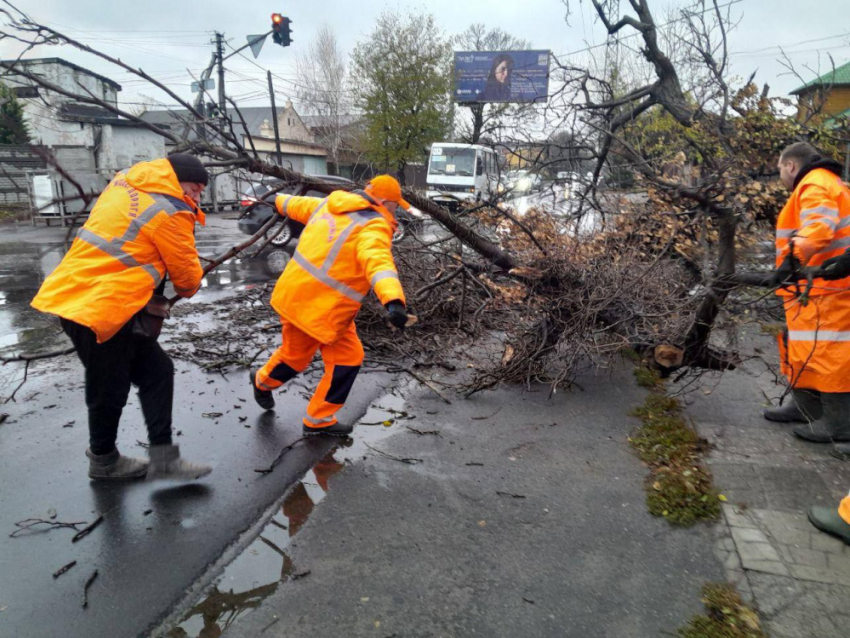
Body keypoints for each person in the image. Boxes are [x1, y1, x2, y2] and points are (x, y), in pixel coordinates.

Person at [31, 153, 213, 481]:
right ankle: (104, 460)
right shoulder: (171, 210)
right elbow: (187, 282)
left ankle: (164, 460)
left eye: (201, 191)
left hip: (79, 294)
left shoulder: (126, 182)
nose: (197, 197)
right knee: (109, 386)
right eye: (194, 188)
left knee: (157, 371)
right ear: (176, 179)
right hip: (101, 308)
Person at [250, 175, 410, 437]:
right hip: (321, 308)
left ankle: (304, 409)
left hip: (304, 299)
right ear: (384, 201)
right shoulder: (374, 225)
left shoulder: (330, 204)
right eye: (395, 204)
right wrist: (393, 300)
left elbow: (295, 204)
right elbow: (378, 261)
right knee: (304, 358)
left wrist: (273, 199)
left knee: (327, 357)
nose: (396, 210)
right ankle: (273, 389)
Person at [771, 142, 850, 458]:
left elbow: (819, 229)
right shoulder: (822, 183)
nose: (780, 176)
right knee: (803, 348)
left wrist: (790, 260)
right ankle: (806, 407)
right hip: (812, 289)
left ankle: (840, 423)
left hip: (828, 290)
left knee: (829, 354)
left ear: (791, 165)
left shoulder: (815, 183)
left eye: (779, 169)